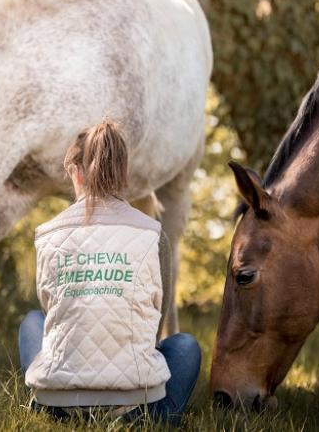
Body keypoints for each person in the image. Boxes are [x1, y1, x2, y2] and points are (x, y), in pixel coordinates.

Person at [18, 120, 201, 425]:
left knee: (32, 322)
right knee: (186, 346)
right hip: (137, 406)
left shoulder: (48, 234)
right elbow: (156, 317)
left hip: (58, 404)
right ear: (124, 174)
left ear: (75, 173)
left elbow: (53, 315)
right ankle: (153, 419)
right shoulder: (153, 234)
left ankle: (46, 406)